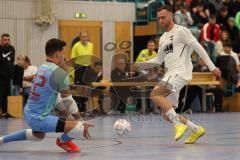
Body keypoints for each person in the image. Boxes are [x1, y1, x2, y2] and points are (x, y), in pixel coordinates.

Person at [132, 5, 221, 144]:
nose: (161, 20)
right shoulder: (162, 38)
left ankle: (178, 126)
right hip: (170, 74)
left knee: (155, 94)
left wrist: (212, 67)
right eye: (159, 18)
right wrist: (140, 65)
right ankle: (196, 129)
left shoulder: (181, 31)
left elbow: (199, 48)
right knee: (167, 115)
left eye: (163, 17)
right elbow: (158, 60)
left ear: (171, 16)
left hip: (180, 72)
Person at [0, 38, 94, 153]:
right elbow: (69, 101)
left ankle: (2, 140)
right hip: (39, 119)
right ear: (57, 53)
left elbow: (57, 100)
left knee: (38, 136)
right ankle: (62, 141)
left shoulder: (42, 67)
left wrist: (70, 118)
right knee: (78, 127)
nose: (64, 55)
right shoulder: (59, 73)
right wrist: (81, 121)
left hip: (28, 113)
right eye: (62, 52)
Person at [71, 30, 94, 112]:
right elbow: (73, 59)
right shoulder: (76, 46)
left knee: (87, 89)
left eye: (86, 36)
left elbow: (91, 58)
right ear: (80, 37)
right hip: (79, 68)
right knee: (79, 89)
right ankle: (79, 106)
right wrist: (75, 70)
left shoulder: (91, 45)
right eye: (83, 36)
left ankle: (84, 106)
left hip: (87, 68)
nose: (84, 38)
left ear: (88, 37)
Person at [0, 33, 15, 118]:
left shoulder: (12, 49)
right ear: (1, 40)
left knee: (6, 95)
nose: (6, 41)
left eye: (8, 40)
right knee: (0, 95)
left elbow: (11, 60)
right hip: (0, 76)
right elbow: (4, 59)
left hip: (8, 77)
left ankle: (5, 113)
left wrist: (4, 59)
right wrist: (6, 59)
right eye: (5, 40)